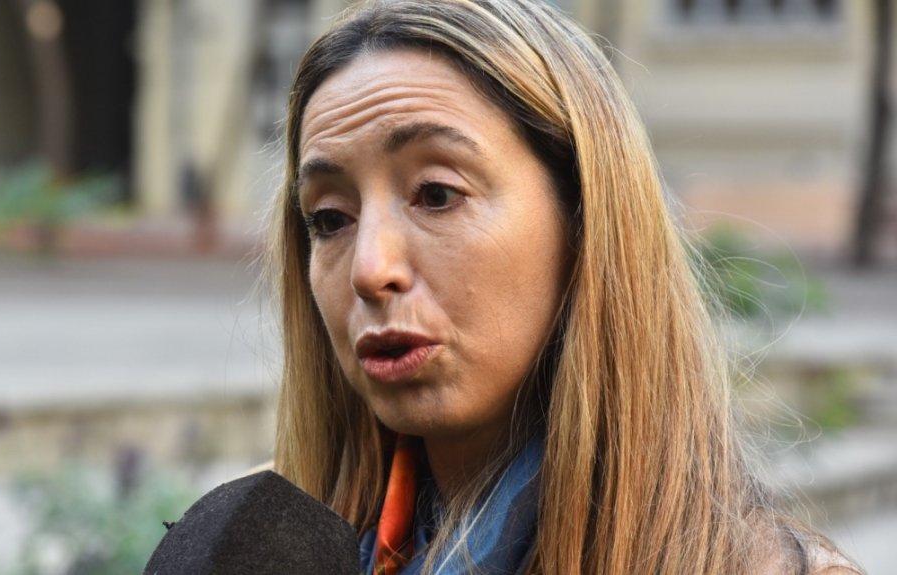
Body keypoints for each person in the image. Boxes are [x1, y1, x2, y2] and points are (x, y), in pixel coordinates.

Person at [266, 0, 859, 573]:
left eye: (438, 194)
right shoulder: (282, 549)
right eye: (330, 219)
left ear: (583, 219)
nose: (369, 269)